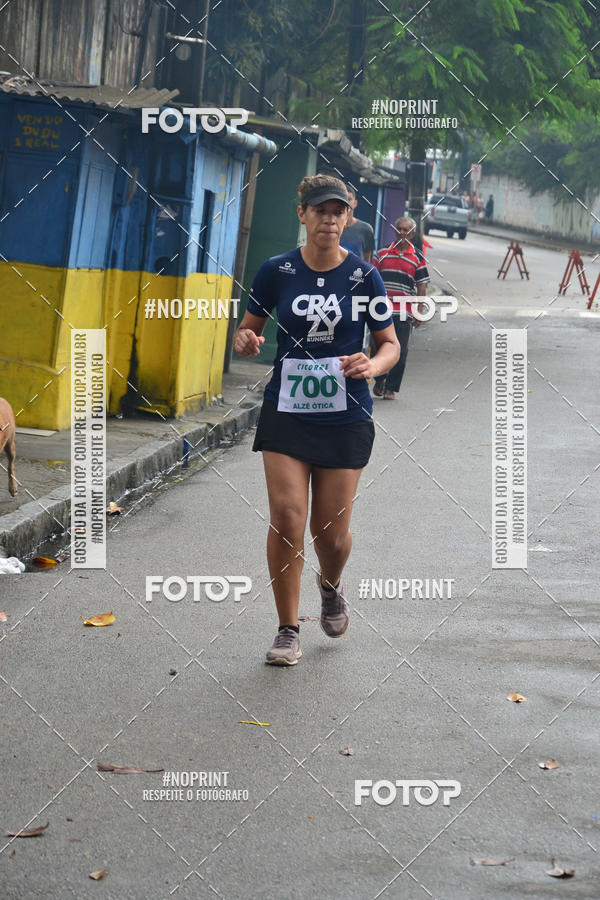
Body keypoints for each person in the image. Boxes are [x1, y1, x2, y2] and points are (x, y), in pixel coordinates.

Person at [234, 174, 399, 666]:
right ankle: (287, 629)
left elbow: (389, 343)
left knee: (331, 534)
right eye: (319, 211)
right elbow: (248, 330)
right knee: (288, 517)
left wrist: (373, 365)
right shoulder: (277, 271)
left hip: (346, 415)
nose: (328, 219)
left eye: (337, 211)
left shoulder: (364, 277)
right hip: (287, 410)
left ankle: (330, 585)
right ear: (302, 214)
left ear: (348, 217)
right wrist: (245, 340)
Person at [370, 216, 430, 400]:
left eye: (406, 230)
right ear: (395, 231)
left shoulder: (418, 258)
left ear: (412, 234)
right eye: (399, 229)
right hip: (381, 310)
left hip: (404, 311)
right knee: (377, 346)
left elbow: (422, 285)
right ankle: (380, 379)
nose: (402, 232)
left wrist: (419, 311)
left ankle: (391, 387)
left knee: (400, 350)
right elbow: (371, 279)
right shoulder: (381, 253)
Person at [340, 185, 375, 261]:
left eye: (349, 199)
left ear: (355, 203)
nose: (346, 202)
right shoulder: (331, 227)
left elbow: (367, 261)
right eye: (343, 198)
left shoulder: (366, 229)